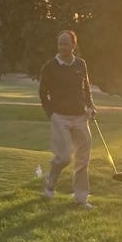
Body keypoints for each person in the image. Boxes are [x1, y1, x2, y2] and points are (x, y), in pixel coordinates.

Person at [38, 30, 97, 209]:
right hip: (60, 117)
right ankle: (50, 181)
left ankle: (81, 198)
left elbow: (86, 89)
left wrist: (91, 106)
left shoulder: (81, 64)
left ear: (73, 45)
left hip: (80, 116)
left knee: (83, 159)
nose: (62, 47)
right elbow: (42, 93)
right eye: (60, 43)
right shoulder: (50, 66)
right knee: (64, 157)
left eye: (66, 43)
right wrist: (51, 114)